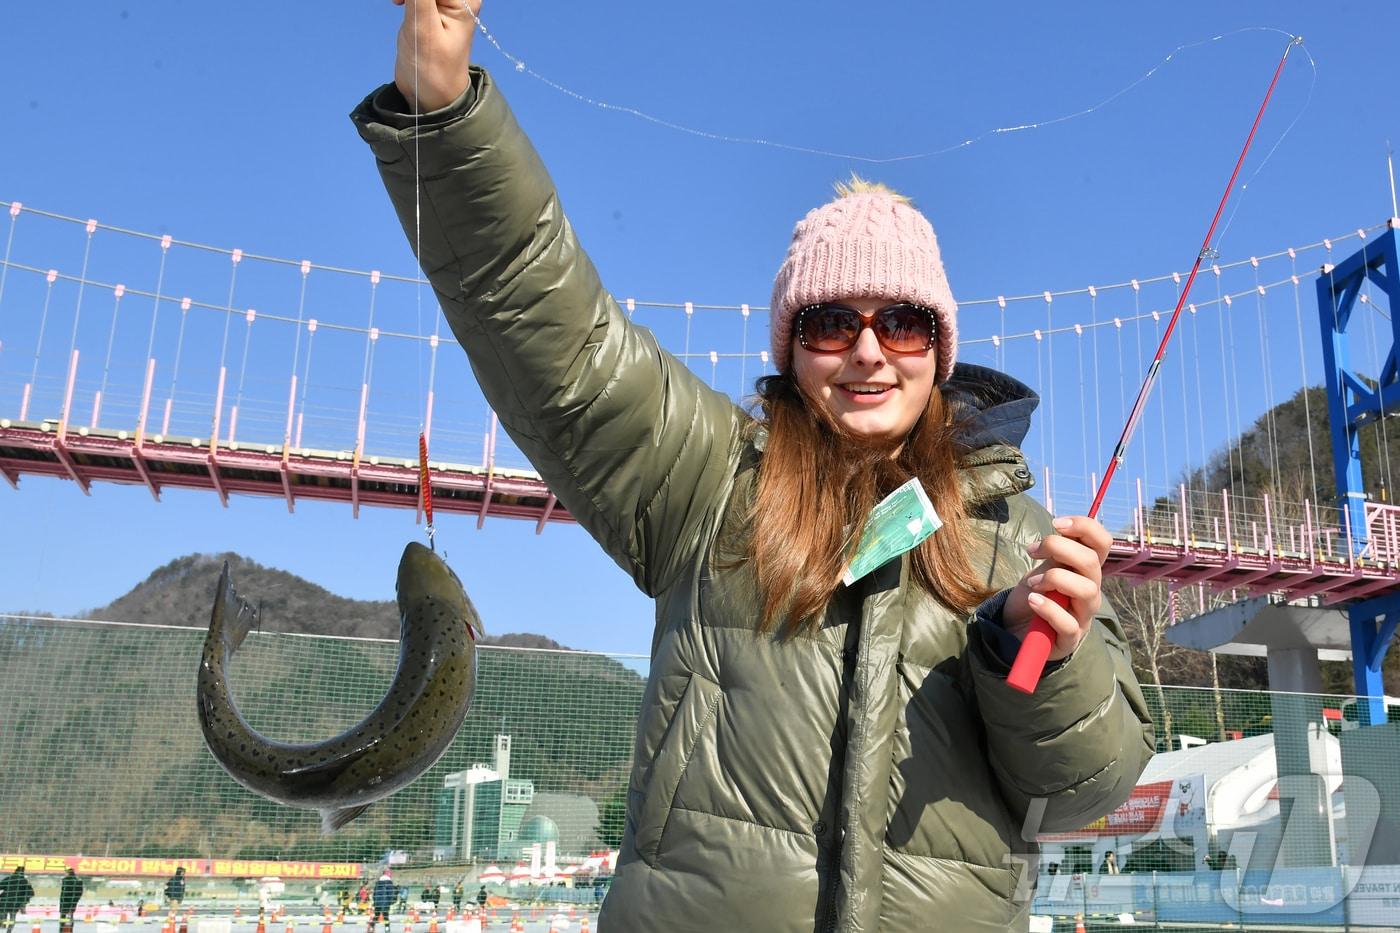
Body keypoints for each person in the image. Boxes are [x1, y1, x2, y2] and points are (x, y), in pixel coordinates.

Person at [354, 3, 1154, 928]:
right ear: (789, 347)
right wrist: (444, 108)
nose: (868, 351)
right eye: (830, 322)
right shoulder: (708, 481)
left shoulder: (1025, 537)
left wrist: (1042, 655)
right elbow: (551, 330)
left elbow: (1080, 794)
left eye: (901, 322)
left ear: (940, 348)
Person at [0, 867, 34, 933]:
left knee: (2, 915)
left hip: (4, 901)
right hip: (15, 903)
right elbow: (30, 893)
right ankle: (8, 931)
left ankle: (2, 925)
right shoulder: (24, 881)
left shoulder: (8, 878)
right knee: (12, 918)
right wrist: (24, 901)